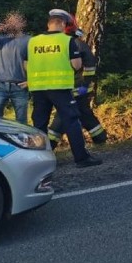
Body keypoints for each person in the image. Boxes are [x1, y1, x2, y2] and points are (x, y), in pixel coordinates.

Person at [23, 9, 101, 167]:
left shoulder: (33, 41)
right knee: (71, 121)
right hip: (60, 88)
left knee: (39, 124)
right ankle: (82, 158)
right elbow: (76, 64)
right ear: (64, 24)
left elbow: (26, 65)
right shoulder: (67, 41)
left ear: (48, 24)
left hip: (38, 88)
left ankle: (39, 160)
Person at [48, 15, 107, 148]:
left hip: (76, 89)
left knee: (62, 117)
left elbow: (90, 67)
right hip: (72, 88)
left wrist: (85, 85)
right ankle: (100, 138)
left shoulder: (76, 45)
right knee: (84, 114)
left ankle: (49, 144)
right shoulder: (73, 44)